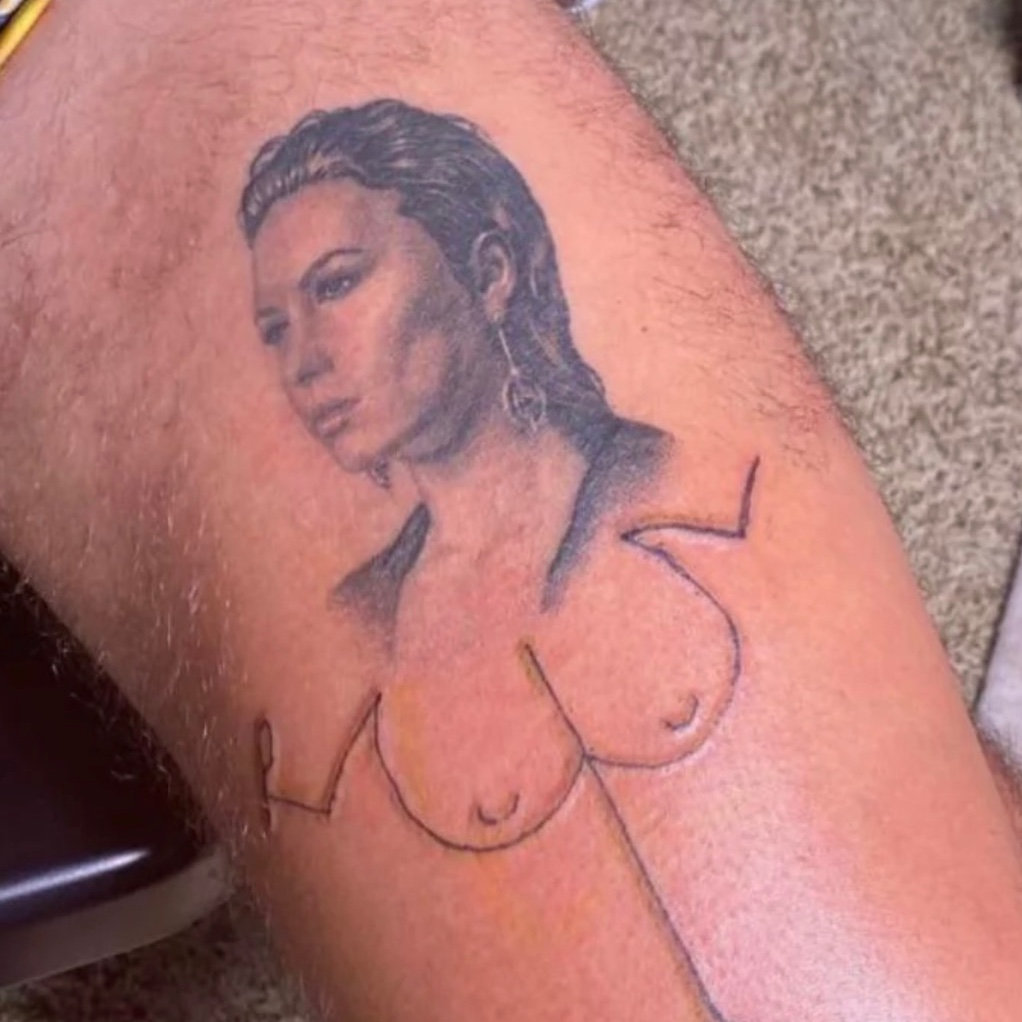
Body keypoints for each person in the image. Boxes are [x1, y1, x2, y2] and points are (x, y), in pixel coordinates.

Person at [1, 1, 1021, 1019]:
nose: (300, 361)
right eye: (272, 326)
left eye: (338, 284)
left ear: (487, 272)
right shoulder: (373, 615)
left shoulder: (686, 500)